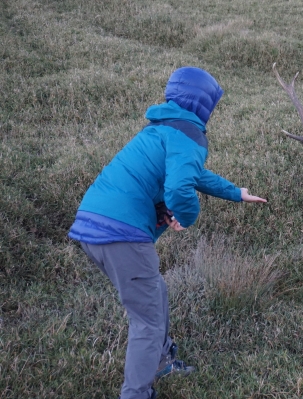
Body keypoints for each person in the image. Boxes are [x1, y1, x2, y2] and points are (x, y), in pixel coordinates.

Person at [68, 66, 267, 399]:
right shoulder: (188, 135)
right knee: (146, 321)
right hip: (122, 233)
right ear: (204, 103)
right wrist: (185, 218)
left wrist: (235, 192)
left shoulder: (162, 128)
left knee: (154, 294)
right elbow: (179, 189)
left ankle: (162, 361)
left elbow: (191, 173)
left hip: (92, 223)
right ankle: (136, 393)